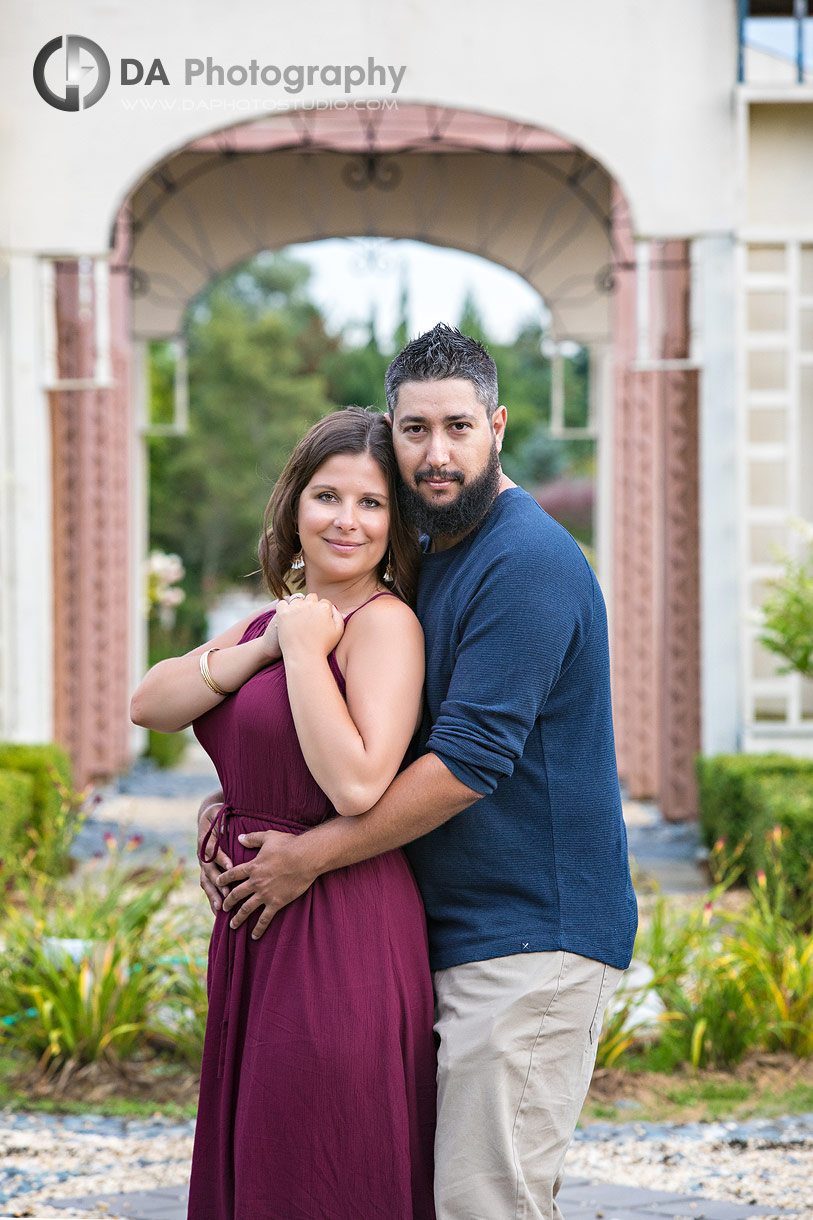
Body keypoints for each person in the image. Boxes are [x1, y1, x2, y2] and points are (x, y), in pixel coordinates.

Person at [201, 325, 638, 1220]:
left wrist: (308, 855)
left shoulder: (529, 563)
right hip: (445, 931)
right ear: (390, 433)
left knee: (486, 1205)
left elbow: (464, 767)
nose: (436, 455)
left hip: (531, 937)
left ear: (498, 427)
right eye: (414, 431)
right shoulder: (429, 553)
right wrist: (242, 802)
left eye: (458, 428)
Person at [130, 407, 437, 1220]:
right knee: (264, 1155)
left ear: (394, 523)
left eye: (371, 503)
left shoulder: (385, 627)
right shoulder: (273, 621)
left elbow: (356, 785)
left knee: (320, 1162)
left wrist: (304, 652)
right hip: (255, 929)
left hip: (337, 923)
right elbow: (152, 701)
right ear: (294, 504)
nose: (345, 520)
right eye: (326, 496)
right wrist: (268, 645)